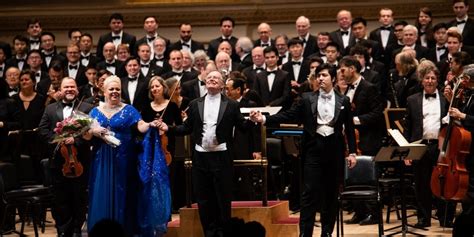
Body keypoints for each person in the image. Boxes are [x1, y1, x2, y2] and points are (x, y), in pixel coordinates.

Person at [250, 63, 357, 237]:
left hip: (334, 150)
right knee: (309, 194)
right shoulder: (307, 98)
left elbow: (349, 129)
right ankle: (305, 233)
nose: (320, 78)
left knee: (330, 194)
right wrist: (264, 119)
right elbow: (289, 115)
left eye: (324, 75)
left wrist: (352, 152)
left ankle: (327, 232)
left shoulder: (343, 100)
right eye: (318, 76)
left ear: (333, 78)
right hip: (313, 149)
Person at [158, 70, 250, 237]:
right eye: (209, 77)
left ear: (223, 85)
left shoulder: (232, 105)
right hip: (201, 157)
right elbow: (186, 128)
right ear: (205, 83)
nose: (212, 79)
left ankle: (224, 233)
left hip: (222, 156)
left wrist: (253, 120)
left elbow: (243, 127)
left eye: (216, 77)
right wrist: (167, 128)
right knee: (204, 199)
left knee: (223, 198)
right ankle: (209, 232)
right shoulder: (195, 104)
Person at [87, 75, 158, 236]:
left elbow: (140, 126)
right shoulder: (94, 111)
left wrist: (150, 124)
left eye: (117, 89)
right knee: (101, 192)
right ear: (104, 91)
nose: (115, 92)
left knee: (124, 192)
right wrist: (92, 130)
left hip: (124, 159)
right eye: (111, 89)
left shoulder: (129, 109)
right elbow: (86, 136)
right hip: (101, 160)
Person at [38, 77, 93, 237]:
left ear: (77, 89)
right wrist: (59, 140)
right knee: (60, 198)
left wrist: (76, 140)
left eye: (72, 86)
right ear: (60, 90)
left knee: (79, 196)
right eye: (66, 87)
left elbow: (91, 132)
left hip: (80, 160)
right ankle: (63, 230)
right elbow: (42, 130)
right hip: (58, 162)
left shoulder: (87, 108)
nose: (69, 89)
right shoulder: (50, 109)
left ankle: (77, 228)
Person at [404, 60, 451, 228]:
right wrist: (407, 152)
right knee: (421, 184)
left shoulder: (446, 100)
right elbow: (408, 129)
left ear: (437, 80)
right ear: (421, 80)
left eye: (433, 78)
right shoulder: (412, 100)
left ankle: (445, 218)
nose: (430, 81)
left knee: (442, 183)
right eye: (426, 78)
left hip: (440, 147)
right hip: (420, 146)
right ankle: (423, 219)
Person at [449, 64, 474, 236]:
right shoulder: (469, 95)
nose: (462, 83)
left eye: (464, 79)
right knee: (468, 195)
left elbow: (467, 118)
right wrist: (451, 100)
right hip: (468, 151)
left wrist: (463, 115)